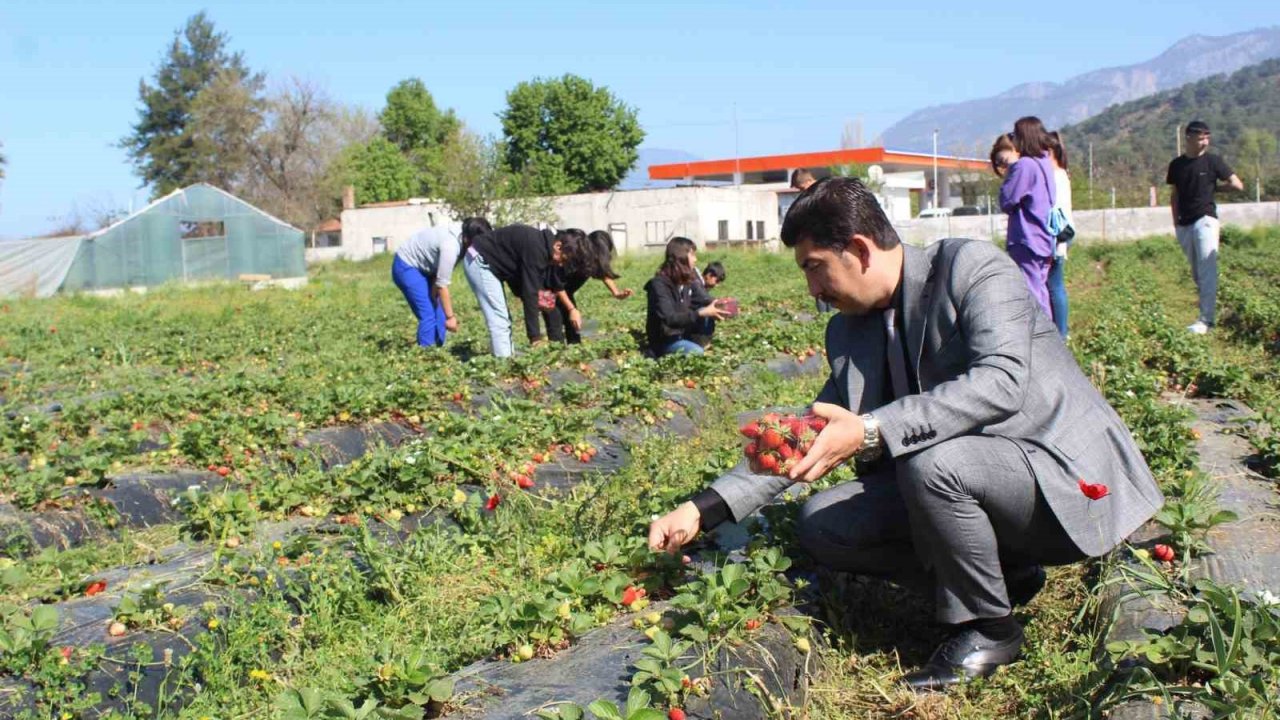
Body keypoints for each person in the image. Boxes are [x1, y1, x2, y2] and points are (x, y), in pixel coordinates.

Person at [647, 177, 1163, 691]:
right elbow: (809, 432)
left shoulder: (972, 269)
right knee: (823, 523)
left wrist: (872, 430)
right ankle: (999, 580)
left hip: (1058, 479)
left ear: (858, 250)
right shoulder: (851, 329)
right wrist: (702, 508)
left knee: (931, 464)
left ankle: (990, 629)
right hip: (970, 482)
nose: (812, 290)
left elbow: (1001, 382)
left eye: (814, 268)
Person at [461, 219, 586, 358]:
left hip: (490, 263)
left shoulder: (543, 246)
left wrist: (561, 308)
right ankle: (504, 365)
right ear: (558, 246)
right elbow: (530, 293)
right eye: (564, 259)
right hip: (479, 261)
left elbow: (537, 288)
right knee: (499, 318)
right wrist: (535, 338)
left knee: (546, 302)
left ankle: (511, 356)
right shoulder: (537, 249)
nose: (562, 264)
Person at [1166, 120, 1244, 334]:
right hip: (1184, 223)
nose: (1205, 142)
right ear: (1188, 138)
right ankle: (1209, 311)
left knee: (1207, 268)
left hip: (1206, 219)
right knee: (1197, 271)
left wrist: (1214, 189)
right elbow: (1175, 194)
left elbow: (1237, 185)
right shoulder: (1177, 165)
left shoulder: (1213, 162)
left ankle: (1206, 320)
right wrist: (1176, 222)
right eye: (1201, 138)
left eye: (1207, 137)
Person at [999, 116, 1057, 320]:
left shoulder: (1024, 165)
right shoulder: (1044, 161)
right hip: (1044, 238)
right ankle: (1048, 337)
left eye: (1015, 135)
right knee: (1040, 289)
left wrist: (1009, 170)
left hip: (1027, 238)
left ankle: (1041, 340)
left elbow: (1007, 199)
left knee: (1031, 293)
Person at [543, 229, 633, 345]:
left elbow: (603, 273)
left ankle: (575, 354)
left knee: (574, 329)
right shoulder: (574, 256)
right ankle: (556, 356)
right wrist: (572, 309)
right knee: (555, 329)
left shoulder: (593, 260)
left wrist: (616, 292)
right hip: (549, 292)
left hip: (566, 293)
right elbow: (556, 285)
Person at [644, 237, 728, 357]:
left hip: (681, 333)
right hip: (665, 340)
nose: (695, 259)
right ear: (681, 257)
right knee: (697, 353)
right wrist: (701, 313)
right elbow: (670, 319)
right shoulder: (659, 285)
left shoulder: (685, 282)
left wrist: (722, 304)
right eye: (692, 255)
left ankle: (698, 344)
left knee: (707, 314)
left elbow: (702, 298)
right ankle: (656, 354)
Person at [391, 225, 461, 347]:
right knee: (427, 313)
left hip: (427, 267)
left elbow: (438, 277)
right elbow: (442, 285)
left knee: (438, 307)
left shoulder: (460, 241)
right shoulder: (451, 247)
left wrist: (433, 295)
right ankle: (427, 355)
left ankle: (439, 348)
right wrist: (451, 317)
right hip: (407, 265)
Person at [793, 169, 834, 315]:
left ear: (809, 182)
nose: (801, 192)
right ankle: (825, 317)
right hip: (816, 251)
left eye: (802, 188)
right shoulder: (812, 199)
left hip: (827, 250)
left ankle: (829, 316)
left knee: (829, 282)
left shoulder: (824, 197)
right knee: (819, 284)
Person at [1046, 131, 1073, 338]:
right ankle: (1061, 331)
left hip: (1056, 235)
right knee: (1055, 285)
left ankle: (1061, 333)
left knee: (1055, 286)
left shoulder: (1055, 176)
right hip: (1061, 235)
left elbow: (1054, 210)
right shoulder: (1062, 173)